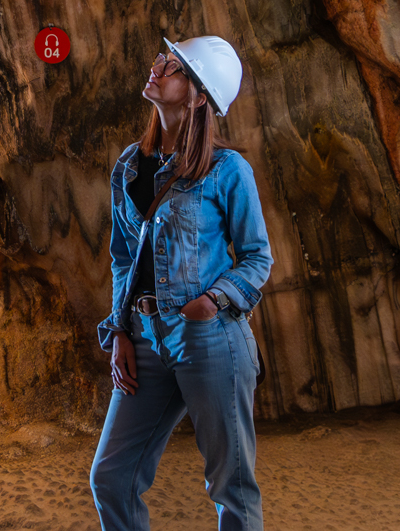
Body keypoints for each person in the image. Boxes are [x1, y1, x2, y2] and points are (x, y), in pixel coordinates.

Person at [89, 34, 273, 531]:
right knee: (111, 476)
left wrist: (213, 301)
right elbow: (124, 258)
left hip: (209, 340)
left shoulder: (226, 169)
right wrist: (121, 332)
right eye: (162, 60)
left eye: (174, 66)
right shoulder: (129, 166)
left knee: (231, 487)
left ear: (198, 96)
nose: (158, 67)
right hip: (145, 339)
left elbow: (257, 257)